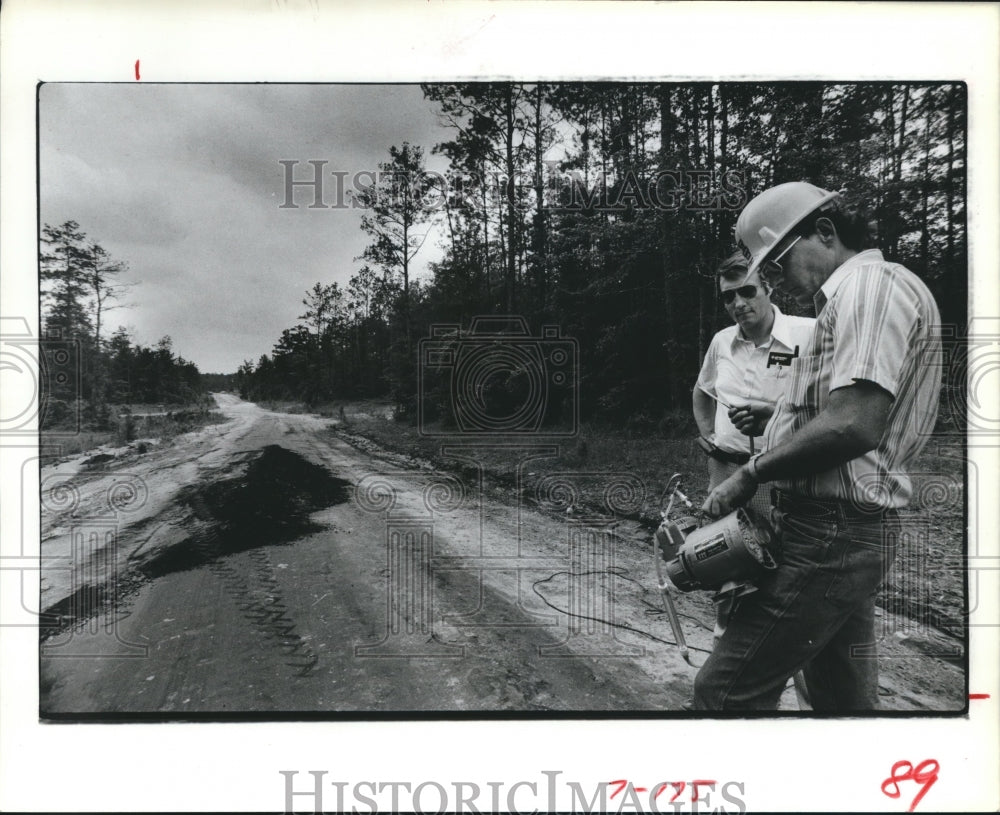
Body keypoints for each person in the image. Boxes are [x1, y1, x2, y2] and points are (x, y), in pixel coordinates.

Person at [694, 181, 942, 712]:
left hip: (834, 532)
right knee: (838, 697)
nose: (775, 282)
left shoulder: (870, 289)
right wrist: (778, 416)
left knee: (724, 692)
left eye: (777, 263)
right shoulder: (854, 298)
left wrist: (751, 472)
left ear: (824, 232)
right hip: (841, 527)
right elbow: (841, 408)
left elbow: (854, 424)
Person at [693, 251, 815, 522]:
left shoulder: (809, 334)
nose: (738, 303)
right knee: (722, 553)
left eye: (747, 291)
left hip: (780, 473)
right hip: (723, 469)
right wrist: (710, 437)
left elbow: (828, 408)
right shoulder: (721, 341)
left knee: (778, 553)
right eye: (728, 296)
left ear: (768, 287)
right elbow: (702, 390)